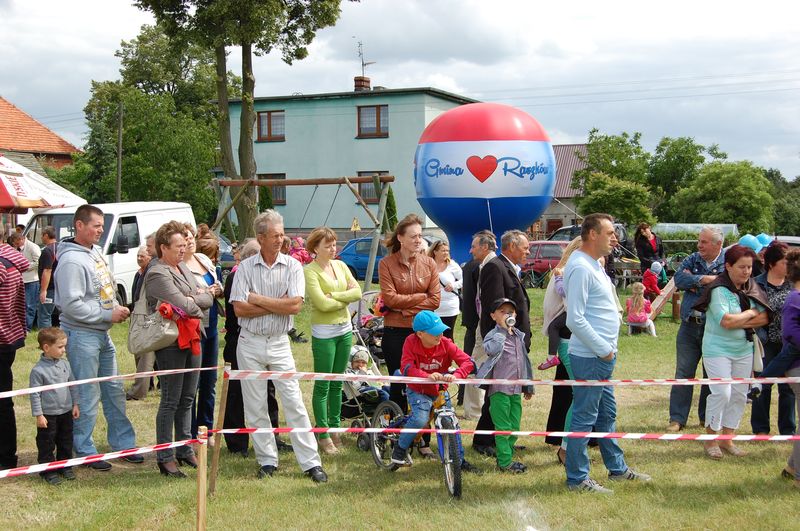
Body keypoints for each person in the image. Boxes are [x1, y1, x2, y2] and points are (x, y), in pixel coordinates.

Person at [230, 210, 328, 482]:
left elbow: (295, 305)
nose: (281, 239)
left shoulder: (293, 266)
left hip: (279, 343)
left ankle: (310, 463)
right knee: (256, 404)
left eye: (283, 234)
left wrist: (257, 299)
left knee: (294, 402)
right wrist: (277, 305)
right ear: (260, 238)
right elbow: (239, 309)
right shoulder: (245, 268)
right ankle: (267, 461)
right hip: (249, 343)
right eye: (275, 235)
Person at [564, 213, 651, 494]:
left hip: (600, 357)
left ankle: (617, 468)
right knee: (584, 418)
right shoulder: (579, 267)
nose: (616, 238)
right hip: (591, 357)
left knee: (606, 414)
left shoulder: (593, 265)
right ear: (592, 234)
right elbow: (574, 319)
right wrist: (603, 351)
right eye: (610, 233)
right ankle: (577, 479)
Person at [54, 204, 140, 471]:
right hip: (82, 336)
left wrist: (115, 306)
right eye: (96, 226)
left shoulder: (95, 254)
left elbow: (104, 289)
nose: (100, 231)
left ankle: (123, 443)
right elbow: (71, 305)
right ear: (79, 226)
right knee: (86, 391)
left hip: (101, 336)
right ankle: (85, 449)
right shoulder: (71, 261)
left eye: (102, 226)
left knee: (113, 389)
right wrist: (107, 315)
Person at [144, 220, 212, 478]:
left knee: (187, 398)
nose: (183, 251)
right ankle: (165, 456)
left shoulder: (182, 267)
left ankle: (184, 448)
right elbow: (189, 302)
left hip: (193, 336)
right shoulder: (158, 273)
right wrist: (198, 298)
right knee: (170, 400)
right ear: (163, 247)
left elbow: (197, 299)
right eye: (178, 247)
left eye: (185, 246)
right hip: (170, 341)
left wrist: (196, 299)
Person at [692, 244, 770, 459]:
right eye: (741, 267)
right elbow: (725, 321)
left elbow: (765, 318)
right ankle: (711, 440)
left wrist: (746, 316)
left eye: (749, 267)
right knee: (722, 392)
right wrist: (751, 313)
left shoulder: (752, 287)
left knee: (738, 394)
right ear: (728, 266)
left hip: (744, 349)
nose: (746, 272)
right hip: (717, 350)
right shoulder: (718, 290)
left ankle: (728, 437)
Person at [222, 240, 289, 457]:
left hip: (267, 339)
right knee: (236, 393)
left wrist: (265, 304)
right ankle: (236, 442)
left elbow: (290, 304)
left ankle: (273, 437)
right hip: (239, 339)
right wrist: (275, 306)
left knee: (269, 390)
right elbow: (241, 309)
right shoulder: (236, 276)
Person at [389, 310, 478, 473]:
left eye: (441, 330)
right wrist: (427, 376)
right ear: (420, 334)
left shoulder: (446, 342)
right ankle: (400, 448)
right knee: (421, 418)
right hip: (418, 389)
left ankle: (458, 459)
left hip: (440, 390)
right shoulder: (410, 342)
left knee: (451, 422)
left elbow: (467, 362)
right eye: (435, 332)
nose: (440, 335)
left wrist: (457, 374)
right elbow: (406, 367)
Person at [304, 226, 362, 455]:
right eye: (327, 245)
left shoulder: (341, 265)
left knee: (338, 383)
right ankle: (323, 433)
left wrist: (336, 297)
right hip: (324, 333)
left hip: (344, 330)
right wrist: (341, 299)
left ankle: (335, 427)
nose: (332, 248)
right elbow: (321, 303)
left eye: (334, 244)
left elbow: (357, 292)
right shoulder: (310, 271)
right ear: (315, 248)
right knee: (323, 385)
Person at [473, 229, 531, 457]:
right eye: (525, 247)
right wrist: (498, 342)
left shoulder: (508, 267)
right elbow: (493, 306)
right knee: (497, 394)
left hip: (515, 340)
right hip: (502, 344)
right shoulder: (495, 267)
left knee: (508, 395)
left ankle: (503, 438)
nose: (528, 251)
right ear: (512, 246)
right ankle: (484, 440)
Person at [378, 214, 440, 415]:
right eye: (413, 236)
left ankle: (422, 439)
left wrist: (404, 307)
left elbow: (435, 300)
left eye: (420, 236)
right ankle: (397, 433)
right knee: (399, 386)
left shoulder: (429, 264)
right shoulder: (386, 264)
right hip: (395, 333)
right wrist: (420, 298)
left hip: (423, 334)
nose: (418, 240)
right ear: (400, 238)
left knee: (424, 386)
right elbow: (390, 299)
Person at [667, 226, 725, 432]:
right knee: (683, 373)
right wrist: (705, 279)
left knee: (711, 374)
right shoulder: (692, 258)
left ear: (718, 244)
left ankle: (706, 418)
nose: (699, 245)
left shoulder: (728, 261)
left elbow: (726, 284)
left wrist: (695, 281)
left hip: (714, 329)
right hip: (689, 327)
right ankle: (677, 419)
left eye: (704, 242)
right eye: (699, 241)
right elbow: (678, 280)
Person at [479, 298, 534, 473]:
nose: (507, 314)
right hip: (499, 391)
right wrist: (502, 331)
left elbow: (523, 363)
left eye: (510, 312)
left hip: (516, 389)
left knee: (514, 427)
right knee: (503, 427)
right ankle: (504, 462)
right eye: (502, 312)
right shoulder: (493, 335)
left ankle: (506, 454)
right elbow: (491, 350)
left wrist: (527, 386)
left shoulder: (519, 335)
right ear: (493, 316)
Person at [542, 237, 582, 459]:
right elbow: (570, 306)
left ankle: (569, 443)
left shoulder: (567, 270)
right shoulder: (567, 272)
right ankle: (566, 446)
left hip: (572, 338)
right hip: (569, 339)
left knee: (574, 395)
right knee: (578, 395)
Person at [182, 224, 224, 439]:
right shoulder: (177, 267)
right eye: (185, 238)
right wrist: (203, 294)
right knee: (193, 384)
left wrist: (217, 289)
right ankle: (188, 433)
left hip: (212, 326)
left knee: (209, 381)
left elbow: (218, 286)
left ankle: (205, 429)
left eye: (191, 237)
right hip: (192, 330)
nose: (189, 241)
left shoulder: (204, 260)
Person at [752, 241, 796, 435]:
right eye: (785, 262)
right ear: (771, 264)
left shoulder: (793, 283)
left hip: (789, 344)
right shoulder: (756, 283)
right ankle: (761, 429)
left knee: (788, 388)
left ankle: (787, 430)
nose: (789, 266)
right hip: (766, 341)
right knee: (764, 384)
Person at [29, 327, 79, 485]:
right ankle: (48, 470)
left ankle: (65, 465)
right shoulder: (38, 371)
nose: (64, 350)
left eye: (64, 346)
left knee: (66, 440)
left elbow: (73, 385)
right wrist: (39, 414)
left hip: (65, 411)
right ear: (46, 347)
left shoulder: (65, 365)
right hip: (48, 415)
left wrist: (75, 404)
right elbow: (35, 394)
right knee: (47, 442)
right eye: (60, 347)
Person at [0, 229, 29, 470]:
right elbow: (20, 303)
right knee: (4, 400)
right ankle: (7, 455)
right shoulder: (12, 261)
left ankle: (5, 457)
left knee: (2, 401)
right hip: (9, 337)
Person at [460, 230, 496, 416]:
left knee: (480, 364)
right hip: (483, 325)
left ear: (484, 247)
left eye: (473, 247)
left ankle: (476, 408)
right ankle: (474, 409)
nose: (470, 250)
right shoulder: (481, 266)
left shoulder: (490, 266)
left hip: (485, 325)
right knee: (475, 364)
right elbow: (475, 299)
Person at [126, 245, 155, 402]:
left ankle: (140, 389)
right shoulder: (139, 273)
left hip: (148, 317)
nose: (139, 259)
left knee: (146, 353)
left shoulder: (151, 272)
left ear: (149, 257)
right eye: (137, 256)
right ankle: (148, 383)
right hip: (138, 314)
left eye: (142, 256)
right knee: (139, 351)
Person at [429, 240, 462, 338]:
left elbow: (463, 279)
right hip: (433, 306)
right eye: (443, 250)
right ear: (435, 252)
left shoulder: (452, 264)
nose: (446, 253)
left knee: (448, 335)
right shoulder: (429, 265)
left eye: (447, 250)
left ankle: (449, 353)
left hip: (449, 307)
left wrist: (454, 285)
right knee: (434, 335)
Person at [37, 226, 58, 329]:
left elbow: (47, 270)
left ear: (46, 235)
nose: (41, 237)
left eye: (42, 235)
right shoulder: (61, 247)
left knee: (44, 315)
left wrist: (43, 290)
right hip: (60, 286)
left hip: (50, 288)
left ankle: (45, 341)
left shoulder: (47, 251)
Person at [20, 229, 41, 331]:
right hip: (22, 279)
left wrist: (26, 267)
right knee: (23, 305)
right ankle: (23, 326)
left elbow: (38, 262)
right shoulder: (18, 247)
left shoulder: (33, 247)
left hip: (31, 279)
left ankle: (27, 327)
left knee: (30, 305)